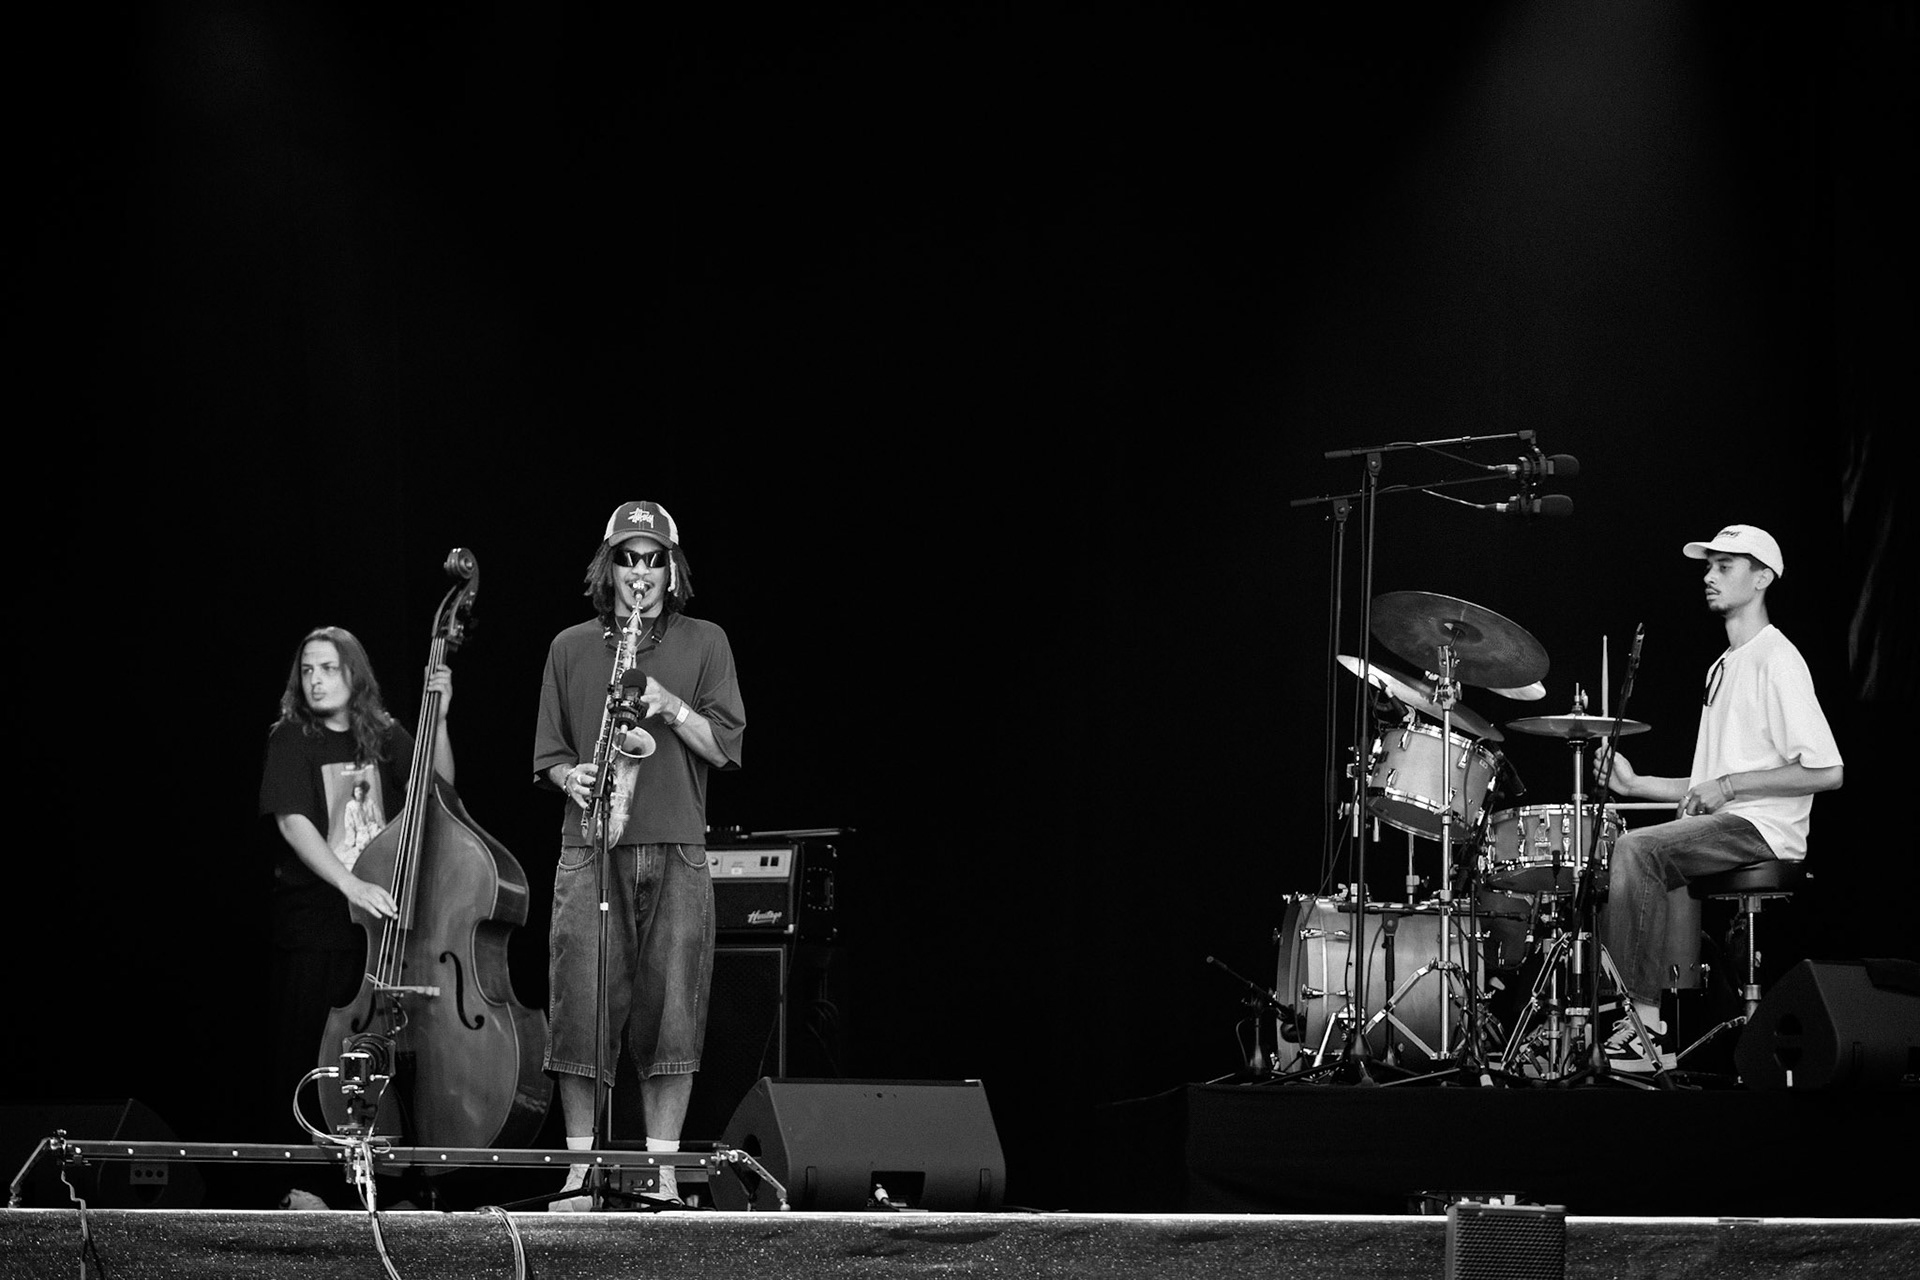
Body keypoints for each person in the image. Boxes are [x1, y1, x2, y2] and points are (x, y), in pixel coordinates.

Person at [532, 500, 744, 1208]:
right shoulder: (569, 647)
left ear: (672, 570)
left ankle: (658, 1175)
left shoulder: (706, 641)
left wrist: (666, 703)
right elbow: (550, 756)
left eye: (654, 559)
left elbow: (725, 748)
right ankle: (579, 1172)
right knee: (580, 1007)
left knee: (671, 1013)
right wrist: (574, 776)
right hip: (589, 846)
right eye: (628, 558)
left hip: (678, 847)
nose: (640, 573)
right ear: (609, 568)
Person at [1592, 525, 1843, 1073]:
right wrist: (1636, 787)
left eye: (1725, 566)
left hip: (1762, 830)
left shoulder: (1777, 659)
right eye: (1708, 567)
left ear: (1761, 577)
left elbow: (1827, 771)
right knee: (1620, 849)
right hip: (1730, 819)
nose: (1708, 576)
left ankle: (1642, 1029)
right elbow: (1706, 783)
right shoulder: (1723, 665)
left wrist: (1728, 788)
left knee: (1636, 851)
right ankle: (1638, 1024)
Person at [257, 626, 453, 1202]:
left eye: (327, 668)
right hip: (317, 923)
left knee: (387, 1051)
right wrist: (350, 883)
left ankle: (397, 1184)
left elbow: (435, 794)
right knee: (312, 1051)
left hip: (382, 930)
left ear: (354, 675)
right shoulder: (292, 739)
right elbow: (294, 822)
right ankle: (306, 1184)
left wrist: (438, 721)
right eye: (307, 670)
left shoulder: (385, 735)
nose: (314, 680)